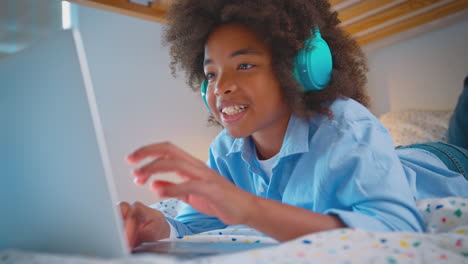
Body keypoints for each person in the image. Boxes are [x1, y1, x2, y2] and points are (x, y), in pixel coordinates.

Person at [119, 0, 468, 249]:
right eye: (210, 73)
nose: (220, 86)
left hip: (447, 161)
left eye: (244, 65)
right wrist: (160, 226)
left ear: (300, 67)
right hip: (400, 155)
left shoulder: (344, 125)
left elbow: (398, 230)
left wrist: (250, 208)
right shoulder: (225, 151)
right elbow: (196, 225)